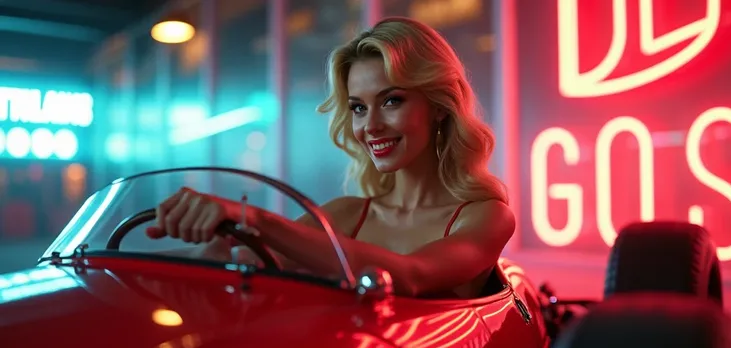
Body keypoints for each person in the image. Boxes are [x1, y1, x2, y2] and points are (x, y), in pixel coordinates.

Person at [146, 16, 515, 299]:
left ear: (438, 106)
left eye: (391, 101)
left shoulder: (486, 216)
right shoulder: (343, 215)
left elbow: (410, 275)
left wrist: (253, 217)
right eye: (357, 107)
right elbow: (248, 260)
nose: (370, 126)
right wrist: (214, 243)